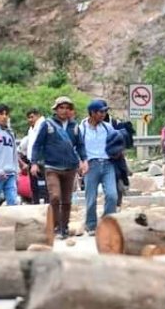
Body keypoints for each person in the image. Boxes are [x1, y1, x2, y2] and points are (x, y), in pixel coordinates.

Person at [31, 96, 87, 239]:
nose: (64, 110)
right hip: (52, 167)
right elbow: (37, 144)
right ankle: (55, 226)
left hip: (70, 167)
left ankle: (64, 228)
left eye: (67, 108)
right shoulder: (47, 125)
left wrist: (84, 160)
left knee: (67, 200)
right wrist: (34, 162)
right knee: (55, 197)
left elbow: (80, 145)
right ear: (56, 109)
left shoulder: (74, 127)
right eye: (61, 107)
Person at [79, 100, 118, 236]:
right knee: (91, 198)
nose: (104, 114)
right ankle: (91, 225)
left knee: (112, 195)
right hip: (91, 165)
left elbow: (116, 142)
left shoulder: (108, 127)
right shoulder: (81, 129)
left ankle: (108, 223)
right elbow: (77, 147)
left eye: (105, 111)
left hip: (108, 164)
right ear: (92, 113)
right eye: (101, 112)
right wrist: (81, 163)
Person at [25, 108, 47, 204]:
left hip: (42, 160)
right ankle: (36, 205)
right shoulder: (31, 129)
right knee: (34, 188)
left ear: (38, 116)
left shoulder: (43, 125)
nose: (30, 120)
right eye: (28, 118)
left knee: (46, 188)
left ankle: (47, 206)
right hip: (32, 160)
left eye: (32, 117)